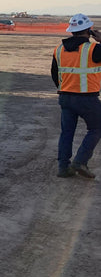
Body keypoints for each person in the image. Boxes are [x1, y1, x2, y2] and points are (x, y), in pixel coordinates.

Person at [51, 13, 101, 178]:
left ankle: (63, 167)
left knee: (67, 132)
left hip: (65, 97)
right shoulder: (94, 49)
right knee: (96, 128)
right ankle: (80, 161)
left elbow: (54, 74)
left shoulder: (59, 50)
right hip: (87, 98)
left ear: (72, 30)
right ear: (89, 30)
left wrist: (66, 87)